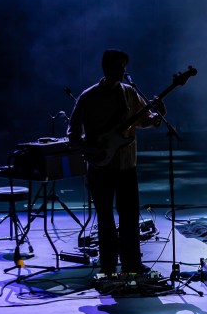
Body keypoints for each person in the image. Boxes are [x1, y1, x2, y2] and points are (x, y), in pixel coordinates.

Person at [67, 49, 161, 277]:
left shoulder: (130, 93)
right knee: (105, 218)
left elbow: (143, 121)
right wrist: (92, 149)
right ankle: (108, 266)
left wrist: (156, 118)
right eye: (119, 66)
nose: (123, 71)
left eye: (124, 66)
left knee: (129, 217)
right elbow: (72, 133)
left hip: (127, 165)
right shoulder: (88, 97)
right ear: (107, 68)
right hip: (101, 167)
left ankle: (132, 265)